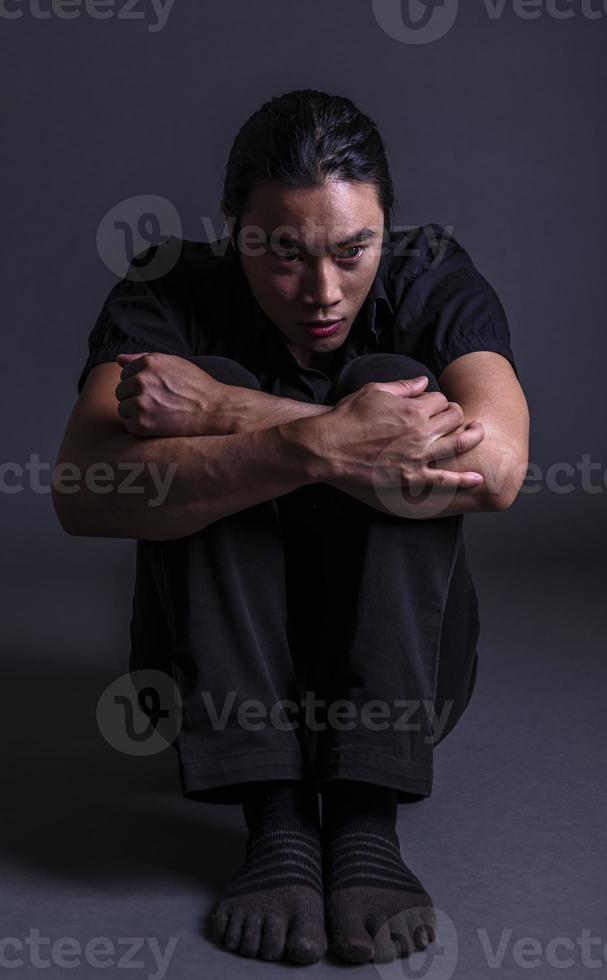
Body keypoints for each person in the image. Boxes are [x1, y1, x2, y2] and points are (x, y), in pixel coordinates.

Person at [53, 89, 529, 966]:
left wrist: (239, 411)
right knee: (263, 403)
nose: (322, 290)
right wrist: (323, 443)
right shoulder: (170, 284)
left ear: (387, 229)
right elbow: (80, 492)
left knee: (392, 377)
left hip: (413, 683)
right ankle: (271, 813)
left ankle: (363, 816)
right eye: (280, 254)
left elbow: (493, 470)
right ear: (231, 230)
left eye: (353, 251)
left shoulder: (430, 273)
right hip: (199, 680)